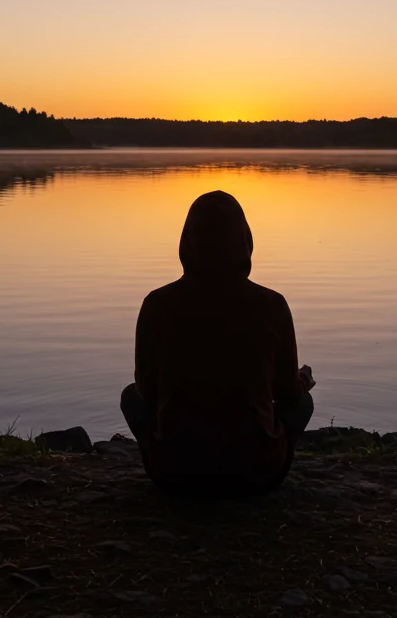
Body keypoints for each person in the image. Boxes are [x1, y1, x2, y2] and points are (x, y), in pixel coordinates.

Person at [120, 190, 315, 498]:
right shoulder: (273, 305)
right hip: (257, 475)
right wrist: (300, 382)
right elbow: (287, 397)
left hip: (174, 475)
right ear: (244, 241)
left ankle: (176, 454)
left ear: (187, 241)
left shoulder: (157, 304)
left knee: (131, 397)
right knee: (304, 403)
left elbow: (147, 391)